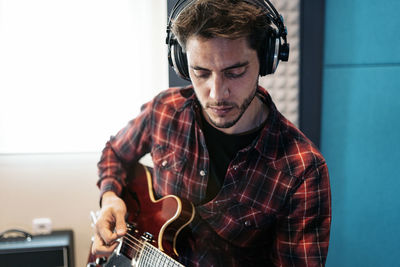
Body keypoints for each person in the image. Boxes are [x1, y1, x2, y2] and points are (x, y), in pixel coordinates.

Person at [92, 0, 331, 266]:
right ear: (183, 64)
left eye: (235, 72)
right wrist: (111, 198)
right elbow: (114, 153)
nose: (217, 93)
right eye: (201, 72)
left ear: (266, 60)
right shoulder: (164, 110)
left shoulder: (302, 169)